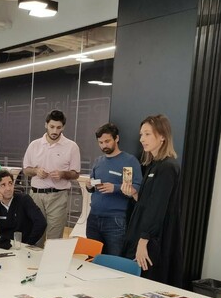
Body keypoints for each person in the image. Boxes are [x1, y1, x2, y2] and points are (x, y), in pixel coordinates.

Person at [121, 114, 183, 287]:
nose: (142, 139)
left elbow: (158, 207)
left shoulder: (168, 167)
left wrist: (143, 241)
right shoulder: (152, 165)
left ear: (162, 136)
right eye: (141, 134)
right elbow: (148, 201)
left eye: (147, 134)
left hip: (153, 239)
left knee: (147, 283)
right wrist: (134, 194)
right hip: (142, 233)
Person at [23, 110, 81, 244]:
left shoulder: (72, 146)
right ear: (46, 125)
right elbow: (26, 170)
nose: (55, 131)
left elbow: (75, 173)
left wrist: (63, 174)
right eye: (52, 127)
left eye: (59, 127)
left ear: (63, 127)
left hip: (58, 197)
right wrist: (36, 171)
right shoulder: (34, 145)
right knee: (35, 236)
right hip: (36, 196)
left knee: (54, 240)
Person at [86, 123, 142, 255]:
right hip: (93, 217)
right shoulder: (98, 161)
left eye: (107, 141)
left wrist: (115, 188)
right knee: (92, 259)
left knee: (114, 260)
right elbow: (92, 186)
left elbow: (135, 188)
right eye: (100, 142)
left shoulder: (128, 161)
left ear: (116, 138)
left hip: (115, 220)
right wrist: (89, 186)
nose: (104, 145)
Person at [0, 169, 46, 246]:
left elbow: (41, 222)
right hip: (5, 245)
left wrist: (28, 244)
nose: (8, 188)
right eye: (3, 185)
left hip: (23, 246)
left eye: (10, 183)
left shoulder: (24, 200)